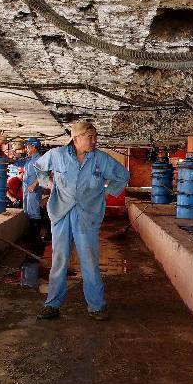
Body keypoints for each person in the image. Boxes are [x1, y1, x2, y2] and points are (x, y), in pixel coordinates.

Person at [33, 120, 129, 321]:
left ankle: (96, 306)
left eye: (96, 136)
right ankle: (52, 304)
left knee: (89, 260)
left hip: (87, 215)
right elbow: (39, 168)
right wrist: (49, 183)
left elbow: (122, 175)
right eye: (90, 137)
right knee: (59, 259)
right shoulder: (57, 155)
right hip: (61, 213)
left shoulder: (100, 159)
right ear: (75, 138)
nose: (94, 141)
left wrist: (106, 193)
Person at [18, 138, 44, 253]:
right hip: (27, 190)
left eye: (28, 146)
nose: (27, 148)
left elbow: (44, 173)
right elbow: (19, 163)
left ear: (34, 147)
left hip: (34, 190)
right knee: (28, 212)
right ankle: (31, 236)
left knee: (34, 213)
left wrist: (34, 184)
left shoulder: (39, 159)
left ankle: (35, 239)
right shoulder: (29, 159)